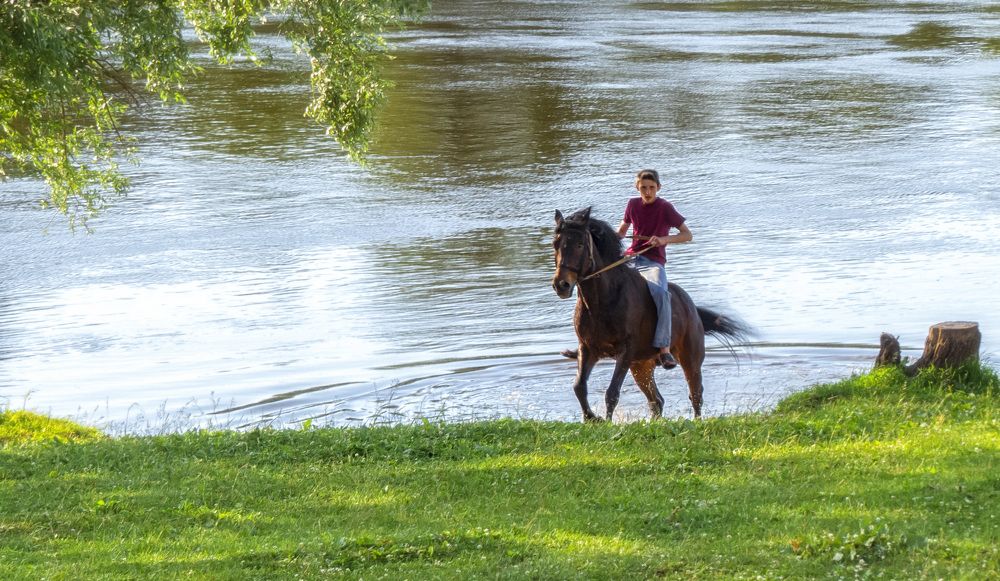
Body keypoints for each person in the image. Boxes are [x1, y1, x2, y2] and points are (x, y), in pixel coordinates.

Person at [560, 168, 692, 370]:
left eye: (651, 188)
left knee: (661, 293)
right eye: (643, 188)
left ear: (658, 187)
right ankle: (586, 343)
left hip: (653, 261)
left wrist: (664, 239)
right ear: (637, 188)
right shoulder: (632, 204)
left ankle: (664, 349)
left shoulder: (665, 207)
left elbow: (686, 235)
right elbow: (621, 232)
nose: (647, 192)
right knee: (593, 283)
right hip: (630, 258)